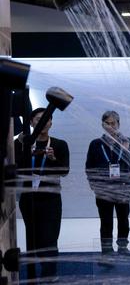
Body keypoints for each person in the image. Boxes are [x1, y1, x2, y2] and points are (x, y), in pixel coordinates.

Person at [15, 108, 70, 282]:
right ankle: (35, 269)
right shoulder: (23, 144)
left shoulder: (59, 144)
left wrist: (53, 158)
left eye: (46, 119)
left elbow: (65, 171)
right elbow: (15, 168)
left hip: (51, 198)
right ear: (31, 122)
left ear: (51, 122)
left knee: (50, 236)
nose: (43, 122)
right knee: (33, 236)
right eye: (38, 119)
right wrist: (26, 153)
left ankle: (50, 273)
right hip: (28, 198)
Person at [85, 111, 130, 257]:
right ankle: (107, 249)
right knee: (105, 220)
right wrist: (93, 185)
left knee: (123, 219)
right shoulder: (96, 144)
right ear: (103, 125)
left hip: (123, 188)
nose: (110, 126)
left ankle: (122, 246)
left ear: (119, 124)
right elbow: (89, 167)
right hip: (103, 190)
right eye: (107, 123)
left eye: (113, 123)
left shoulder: (128, 143)